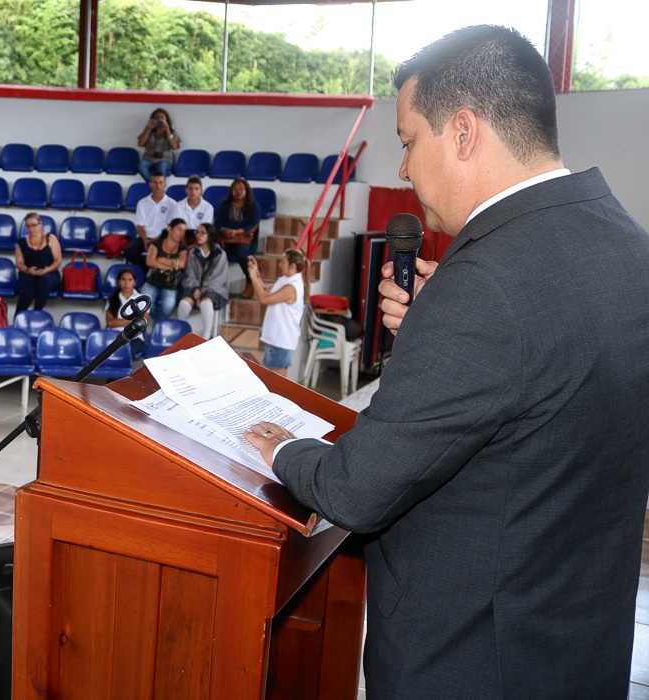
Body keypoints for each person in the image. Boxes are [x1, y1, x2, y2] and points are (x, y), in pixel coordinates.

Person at [243, 26, 649, 699]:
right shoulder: (627, 243)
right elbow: (547, 386)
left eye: (407, 141)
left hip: (473, 665)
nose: (403, 169)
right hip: (580, 651)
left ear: (463, 132)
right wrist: (441, 328)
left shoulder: (485, 283)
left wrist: (281, 447)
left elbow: (355, 490)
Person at [247, 248, 304, 375]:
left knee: (276, 382)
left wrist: (253, 278)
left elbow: (264, 299)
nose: (280, 265)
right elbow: (265, 289)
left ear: (292, 266)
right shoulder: (285, 280)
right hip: (276, 339)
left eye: (283, 262)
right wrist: (256, 273)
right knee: (270, 379)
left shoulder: (291, 287)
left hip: (282, 340)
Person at [176, 223, 228, 338]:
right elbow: (190, 274)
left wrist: (202, 291)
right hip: (194, 287)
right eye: (197, 232)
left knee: (206, 302)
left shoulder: (220, 254)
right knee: (184, 303)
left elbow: (217, 278)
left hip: (214, 288)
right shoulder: (193, 253)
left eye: (203, 233)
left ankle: (206, 336)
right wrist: (195, 288)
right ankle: (180, 335)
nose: (198, 235)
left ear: (210, 235)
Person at [213, 178, 261, 299]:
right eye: (235, 189)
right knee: (216, 251)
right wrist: (225, 230)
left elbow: (253, 225)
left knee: (241, 253)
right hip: (227, 239)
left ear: (246, 191)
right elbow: (218, 223)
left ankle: (251, 280)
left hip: (246, 239)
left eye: (241, 189)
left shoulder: (253, 206)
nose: (238, 191)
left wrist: (237, 232)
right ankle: (215, 284)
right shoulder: (225, 205)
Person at [126, 172, 177, 270]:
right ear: (150, 184)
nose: (158, 185)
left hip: (163, 238)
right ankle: (148, 269)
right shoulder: (142, 203)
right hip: (145, 237)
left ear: (164, 184)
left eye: (160, 182)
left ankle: (154, 269)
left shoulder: (172, 204)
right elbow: (140, 226)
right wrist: (145, 241)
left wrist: (155, 240)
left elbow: (170, 228)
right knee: (129, 251)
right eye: (155, 182)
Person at [142, 218, 188, 323]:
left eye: (184, 231)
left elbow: (181, 264)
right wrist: (172, 265)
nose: (182, 233)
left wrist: (159, 260)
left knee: (169, 305)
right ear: (170, 228)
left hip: (170, 283)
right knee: (145, 302)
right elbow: (150, 261)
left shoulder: (182, 248)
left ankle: (158, 324)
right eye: (179, 229)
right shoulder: (156, 244)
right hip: (152, 281)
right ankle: (159, 323)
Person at [14, 212, 62, 313]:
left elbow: (58, 260)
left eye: (34, 225)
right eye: (28, 226)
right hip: (29, 273)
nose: (31, 229)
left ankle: (37, 312)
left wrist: (47, 270)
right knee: (28, 288)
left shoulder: (51, 239)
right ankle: (18, 315)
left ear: (40, 224)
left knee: (45, 279)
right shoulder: (22, 242)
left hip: (49, 273)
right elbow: (19, 263)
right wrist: (28, 270)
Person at [105, 267, 143, 358]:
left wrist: (119, 322)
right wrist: (132, 321)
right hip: (114, 336)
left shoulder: (141, 299)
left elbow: (142, 323)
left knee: (126, 352)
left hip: (134, 337)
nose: (126, 283)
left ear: (135, 282)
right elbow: (110, 323)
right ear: (118, 282)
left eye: (130, 280)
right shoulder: (112, 299)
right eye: (123, 279)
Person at [136, 107, 179, 182]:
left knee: (162, 167)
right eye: (157, 117)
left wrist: (167, 130)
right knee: (141, 166)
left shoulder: (171, 132)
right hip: (149, 158)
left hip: (165, 159)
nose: (159, 119)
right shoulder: (148, 130)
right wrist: (149, 129)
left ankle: (156, 185)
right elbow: (140, 144)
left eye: (162, 117)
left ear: (166, 119)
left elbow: (174, 146)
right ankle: (154, 184)